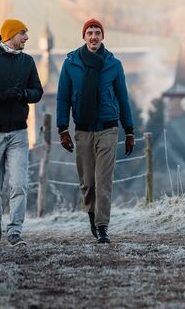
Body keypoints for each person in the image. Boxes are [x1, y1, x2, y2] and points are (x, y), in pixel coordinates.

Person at [57, 18, 135, 244]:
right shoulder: (71, 63)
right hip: (82, 129)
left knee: (103, 179)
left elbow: (123, 98)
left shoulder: (114, 64)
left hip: (108, 128)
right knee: (88, 181)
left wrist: (129, 131)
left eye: (97, 33)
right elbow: (63, 97)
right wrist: (63, 128)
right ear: (84, 37)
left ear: (103, 37)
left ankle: (102, 227)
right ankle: (92, 213)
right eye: (89, 33)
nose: (93, 37)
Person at [0, 19, 43, 246]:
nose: (26, 38)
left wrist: (22, 94)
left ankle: (15, 231)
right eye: (23, 33)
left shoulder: (27, 61)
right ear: (10, 35)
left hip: (19, 133)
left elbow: (37, 92)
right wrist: (0, 96)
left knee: (19, 184)